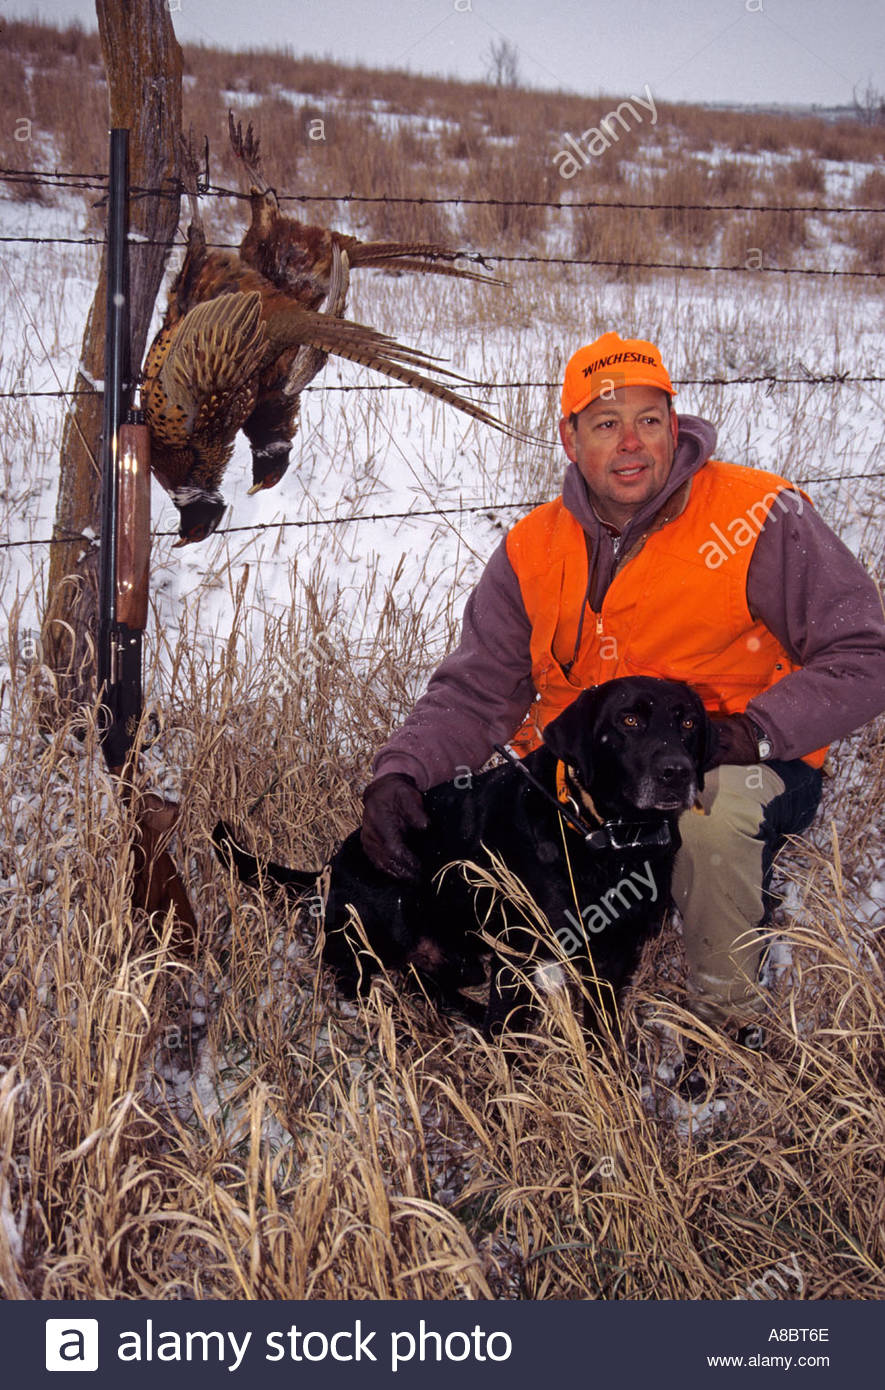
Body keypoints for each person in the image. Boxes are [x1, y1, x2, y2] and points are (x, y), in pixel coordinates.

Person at [358, 331, 885, 1064]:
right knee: (499, 823)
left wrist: (755, 730)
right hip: (590, 772)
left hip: (745, 757)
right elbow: (476, 690)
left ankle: (721, 1025)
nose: (629, 443)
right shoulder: (531, 548)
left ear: (675, 426)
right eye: (604, 424)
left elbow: (864, 651)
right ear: (570, 440)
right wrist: (401, 771)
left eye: (647, 419)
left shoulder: (759, 514)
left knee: (709, 817)